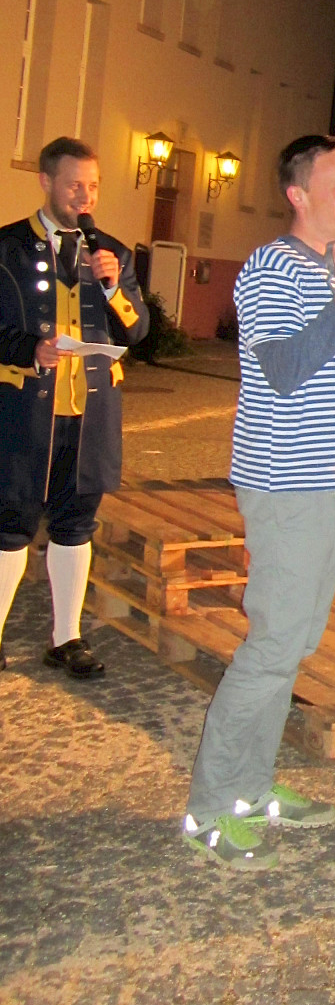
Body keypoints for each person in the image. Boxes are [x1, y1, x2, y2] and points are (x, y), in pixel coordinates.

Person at [182, 134, 335, 869]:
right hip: (286, 485)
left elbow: (323, 376)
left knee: (296, 643)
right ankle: (211, 807)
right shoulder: (271, 267)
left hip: (334, 480)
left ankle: (252, 789)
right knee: (273, 645)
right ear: (298, 194)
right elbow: (280, 369)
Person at [0, 137, 148, 678]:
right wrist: (27, 349)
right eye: (74, 186)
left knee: (75, 525)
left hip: (89, 419)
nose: (85, 197)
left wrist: (111, 287)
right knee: (10, 526)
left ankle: (66, 638)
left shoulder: (113, 254)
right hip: (23, 414)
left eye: (93, 186)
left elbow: (137, 331)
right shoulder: (7, 247)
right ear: (46, 182)